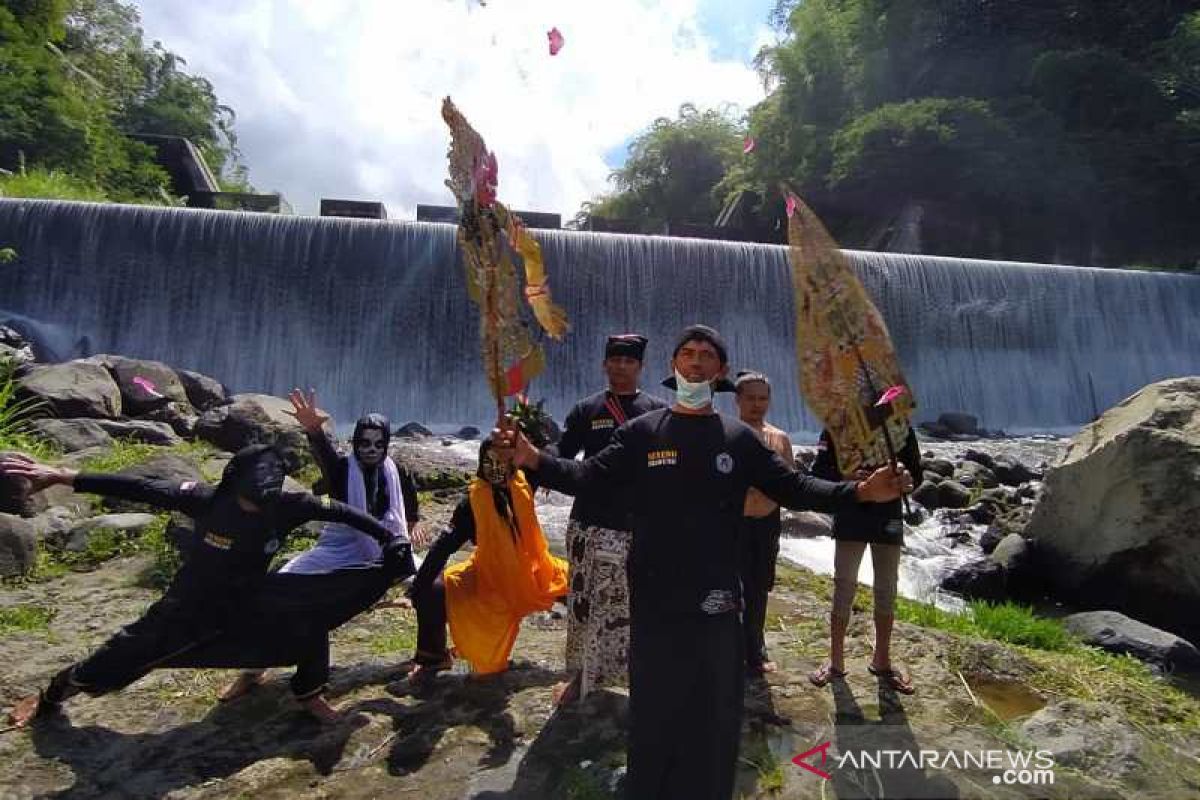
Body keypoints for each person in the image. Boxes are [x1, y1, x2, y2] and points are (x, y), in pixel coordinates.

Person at [492, 324, 912, 800]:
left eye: (705, 356)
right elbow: (586, 476)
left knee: (713, 710)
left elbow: (795, 489)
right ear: (674, 366)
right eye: (687, 354)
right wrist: (532, 457)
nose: (695, 362)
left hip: (716, 596)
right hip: (652, 595)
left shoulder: (739, 439)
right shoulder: (641, 433)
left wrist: (859, 491)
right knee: (653, 705)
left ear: (720, 371)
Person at [0, 444, 414, 727]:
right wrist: (60, 476)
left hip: (250, 596)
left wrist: (388, 537)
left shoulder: (287, 505)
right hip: (191, 601)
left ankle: (309, 694)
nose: (255, 507)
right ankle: (53, 695)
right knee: (124, 653)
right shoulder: (204, 498)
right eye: (249, 501)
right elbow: (138, 487)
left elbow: (341, 511)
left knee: (308, 617)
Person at [219, 389, 424, 703]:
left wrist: (414, 521)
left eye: (378, 444)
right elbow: (326, 457)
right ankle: (252, 670)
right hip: (338, 546)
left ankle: (429, 654)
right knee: (280, 586)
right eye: (364, 443)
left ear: (386, 446)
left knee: (434, 583)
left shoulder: (393, 471)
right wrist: (313, 429)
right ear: (355, 443)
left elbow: (407, 495)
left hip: (387, 545)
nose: (371, 450)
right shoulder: (343, 470)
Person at [547, 333, 667, 704]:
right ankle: (581, 674)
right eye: (614, 360)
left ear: (640, 367)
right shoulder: (587, 410)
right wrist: (536, 455)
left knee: (638, 602)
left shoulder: (657, 411)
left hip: (638, 523)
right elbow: (562, 452)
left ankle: (641, 676)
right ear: (604, 364)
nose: (621, 367)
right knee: (583, 600)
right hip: (589, 519)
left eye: (629, 362)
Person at [406, 439, 569, 679]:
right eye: (488, 462)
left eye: (501, 461)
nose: (495, 469)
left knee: (583, 587)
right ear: (480, 465)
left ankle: (589, 659)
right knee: (432, 590)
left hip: (536, 572)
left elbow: (554, 452)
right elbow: (442, 548)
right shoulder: (470, 504)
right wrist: (416, 590)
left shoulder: (525, 481)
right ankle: (433, 658)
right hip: (491, 581)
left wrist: (550, 473)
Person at [807, 426, 923, 694]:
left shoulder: (900, 427)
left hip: (889, 514)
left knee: (887, 588)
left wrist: (905, 481)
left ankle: (882, 660)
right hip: (850, 512)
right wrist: (846, 477)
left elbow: (916, 474)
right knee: (843, 585)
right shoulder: (837, 426)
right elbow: (819, 474)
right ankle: (835, 662)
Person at [733, 370, 794, 677]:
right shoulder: (725, 433)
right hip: (734, 523)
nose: (757, 404)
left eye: (763, 398)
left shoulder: (780, 438)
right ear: (737, 400)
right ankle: (728, 648)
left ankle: (755, 649)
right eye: (751, 398)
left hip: (767, 522)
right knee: (731, 586)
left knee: (760, 585)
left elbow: (792, 483)